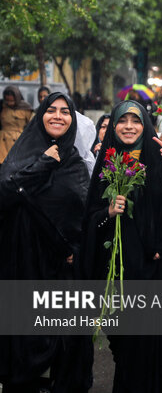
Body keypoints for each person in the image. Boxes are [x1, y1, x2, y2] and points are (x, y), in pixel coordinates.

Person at [80, 100, 162, 393]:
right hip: (112, 272)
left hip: (149, 270)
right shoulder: (106, 162)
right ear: (113, 125)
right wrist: (107, 213)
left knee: (143, 348)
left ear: (145, 125)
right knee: (121, 344)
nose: (128, 127)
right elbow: (89, 218)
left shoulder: (159, 161)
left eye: (135, 121)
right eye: (122, 121)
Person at [0, 92, 91, 392]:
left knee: (62, 341)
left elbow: (82, 212)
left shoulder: (75, 163)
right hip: (23, 258)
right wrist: (42, 164)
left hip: (62, 264)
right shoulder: (24, 153)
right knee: (24, 341)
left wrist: (72, 248)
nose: (58, 116)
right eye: (50, 110)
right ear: (40, 116)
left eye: (65, 112)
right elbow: (6, 193)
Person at [0, 86, 33, 164]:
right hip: (2, 141)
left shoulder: (26, 108)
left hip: (19, 139)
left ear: (17, 98)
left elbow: (31, 126)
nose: (9, 103)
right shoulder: (2, 106)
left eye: (12, 101)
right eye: (7, 100)